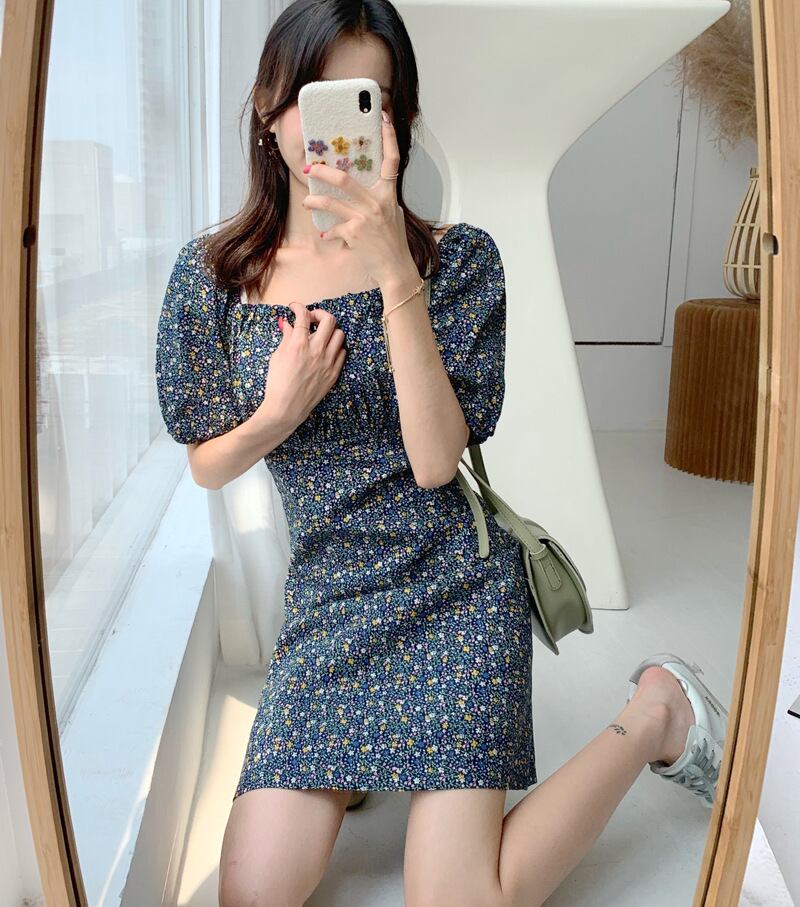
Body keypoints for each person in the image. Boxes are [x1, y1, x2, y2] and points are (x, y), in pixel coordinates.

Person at [153, 2, 729, 904]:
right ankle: (359, 763)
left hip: (453, 586)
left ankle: (656, 710)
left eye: (370, 101)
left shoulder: (455, 263)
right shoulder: (215, 277)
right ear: (269, 108)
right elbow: (207, 462)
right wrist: (278, 411)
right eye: (318, 96)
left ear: (401, 123)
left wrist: (393, 273)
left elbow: (433, 463)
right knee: (251, 893)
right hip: (331, 601)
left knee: (459, 897)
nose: (342, 126)